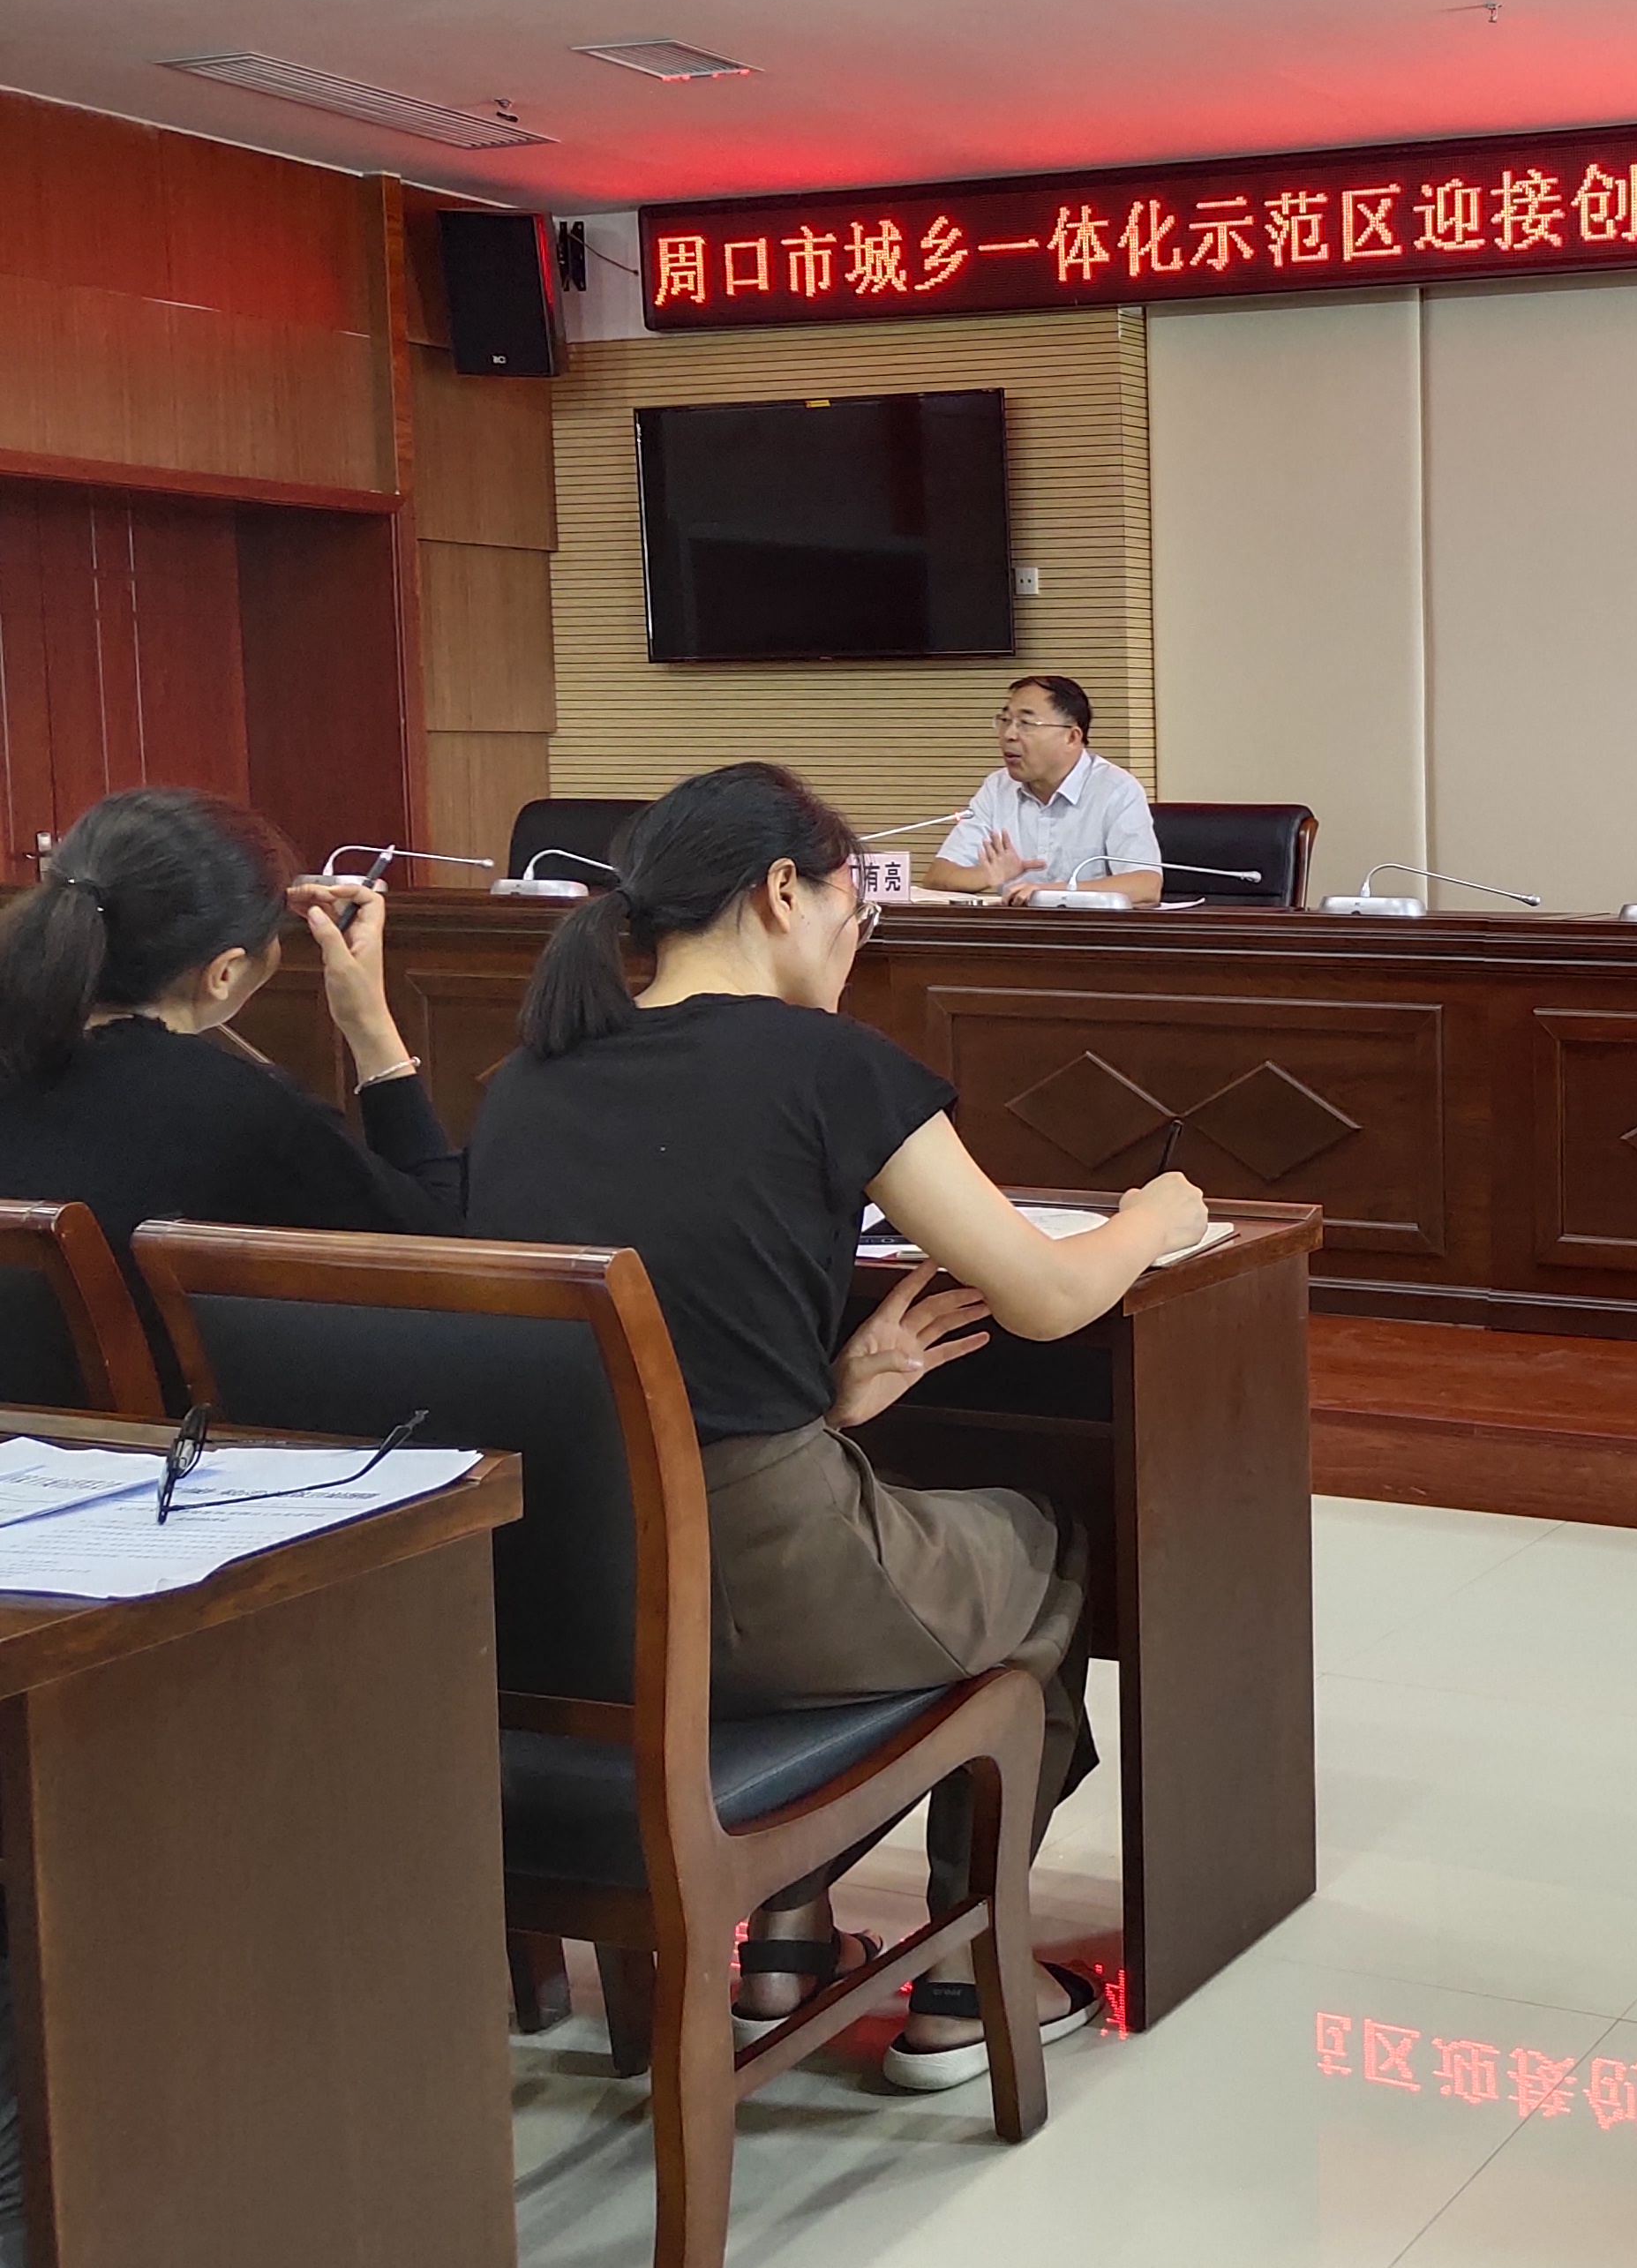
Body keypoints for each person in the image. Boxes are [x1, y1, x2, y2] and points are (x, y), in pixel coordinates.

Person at [463, 762, 1211, 2089]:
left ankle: (788, 1943)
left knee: (906, 1520)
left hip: (556, 1599)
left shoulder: (528, 1078)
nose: (857, 938)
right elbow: (1044, 1298)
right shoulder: (827, 1065)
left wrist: (819, 1391)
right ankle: (965, 1978)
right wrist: (1153, 1218)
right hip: (758, 1590)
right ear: (781, 892)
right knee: (1045, 1544)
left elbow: (647, 1343)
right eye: (853, 908)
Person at [0, 788, 461, 1326]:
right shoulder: (239, 1109)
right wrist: (371, 1026)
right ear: (224, 973)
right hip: (178, 1384)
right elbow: (439, 1246)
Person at [916, 674, 1163, 905]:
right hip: (1017, 931)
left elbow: (1145, 884)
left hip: (1090, 932)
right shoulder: (997, 788)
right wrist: (988, 875)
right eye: (1005, 721)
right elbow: (938, 877)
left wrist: (1053, 892)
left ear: (1071, 737)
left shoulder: (1116, 789)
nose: (1009, 735)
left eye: (1025, 723)